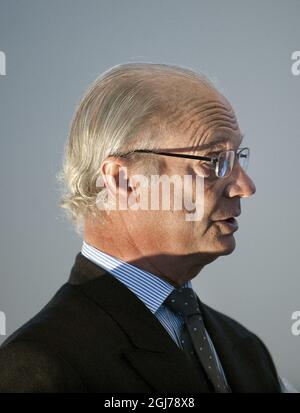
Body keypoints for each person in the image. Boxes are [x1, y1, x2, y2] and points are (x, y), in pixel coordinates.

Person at [0, 63, 285, 392]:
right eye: (214, 161)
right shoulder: (39, 366)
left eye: (238, 159)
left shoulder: (246, 350)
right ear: (123, 180)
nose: (244, 187)